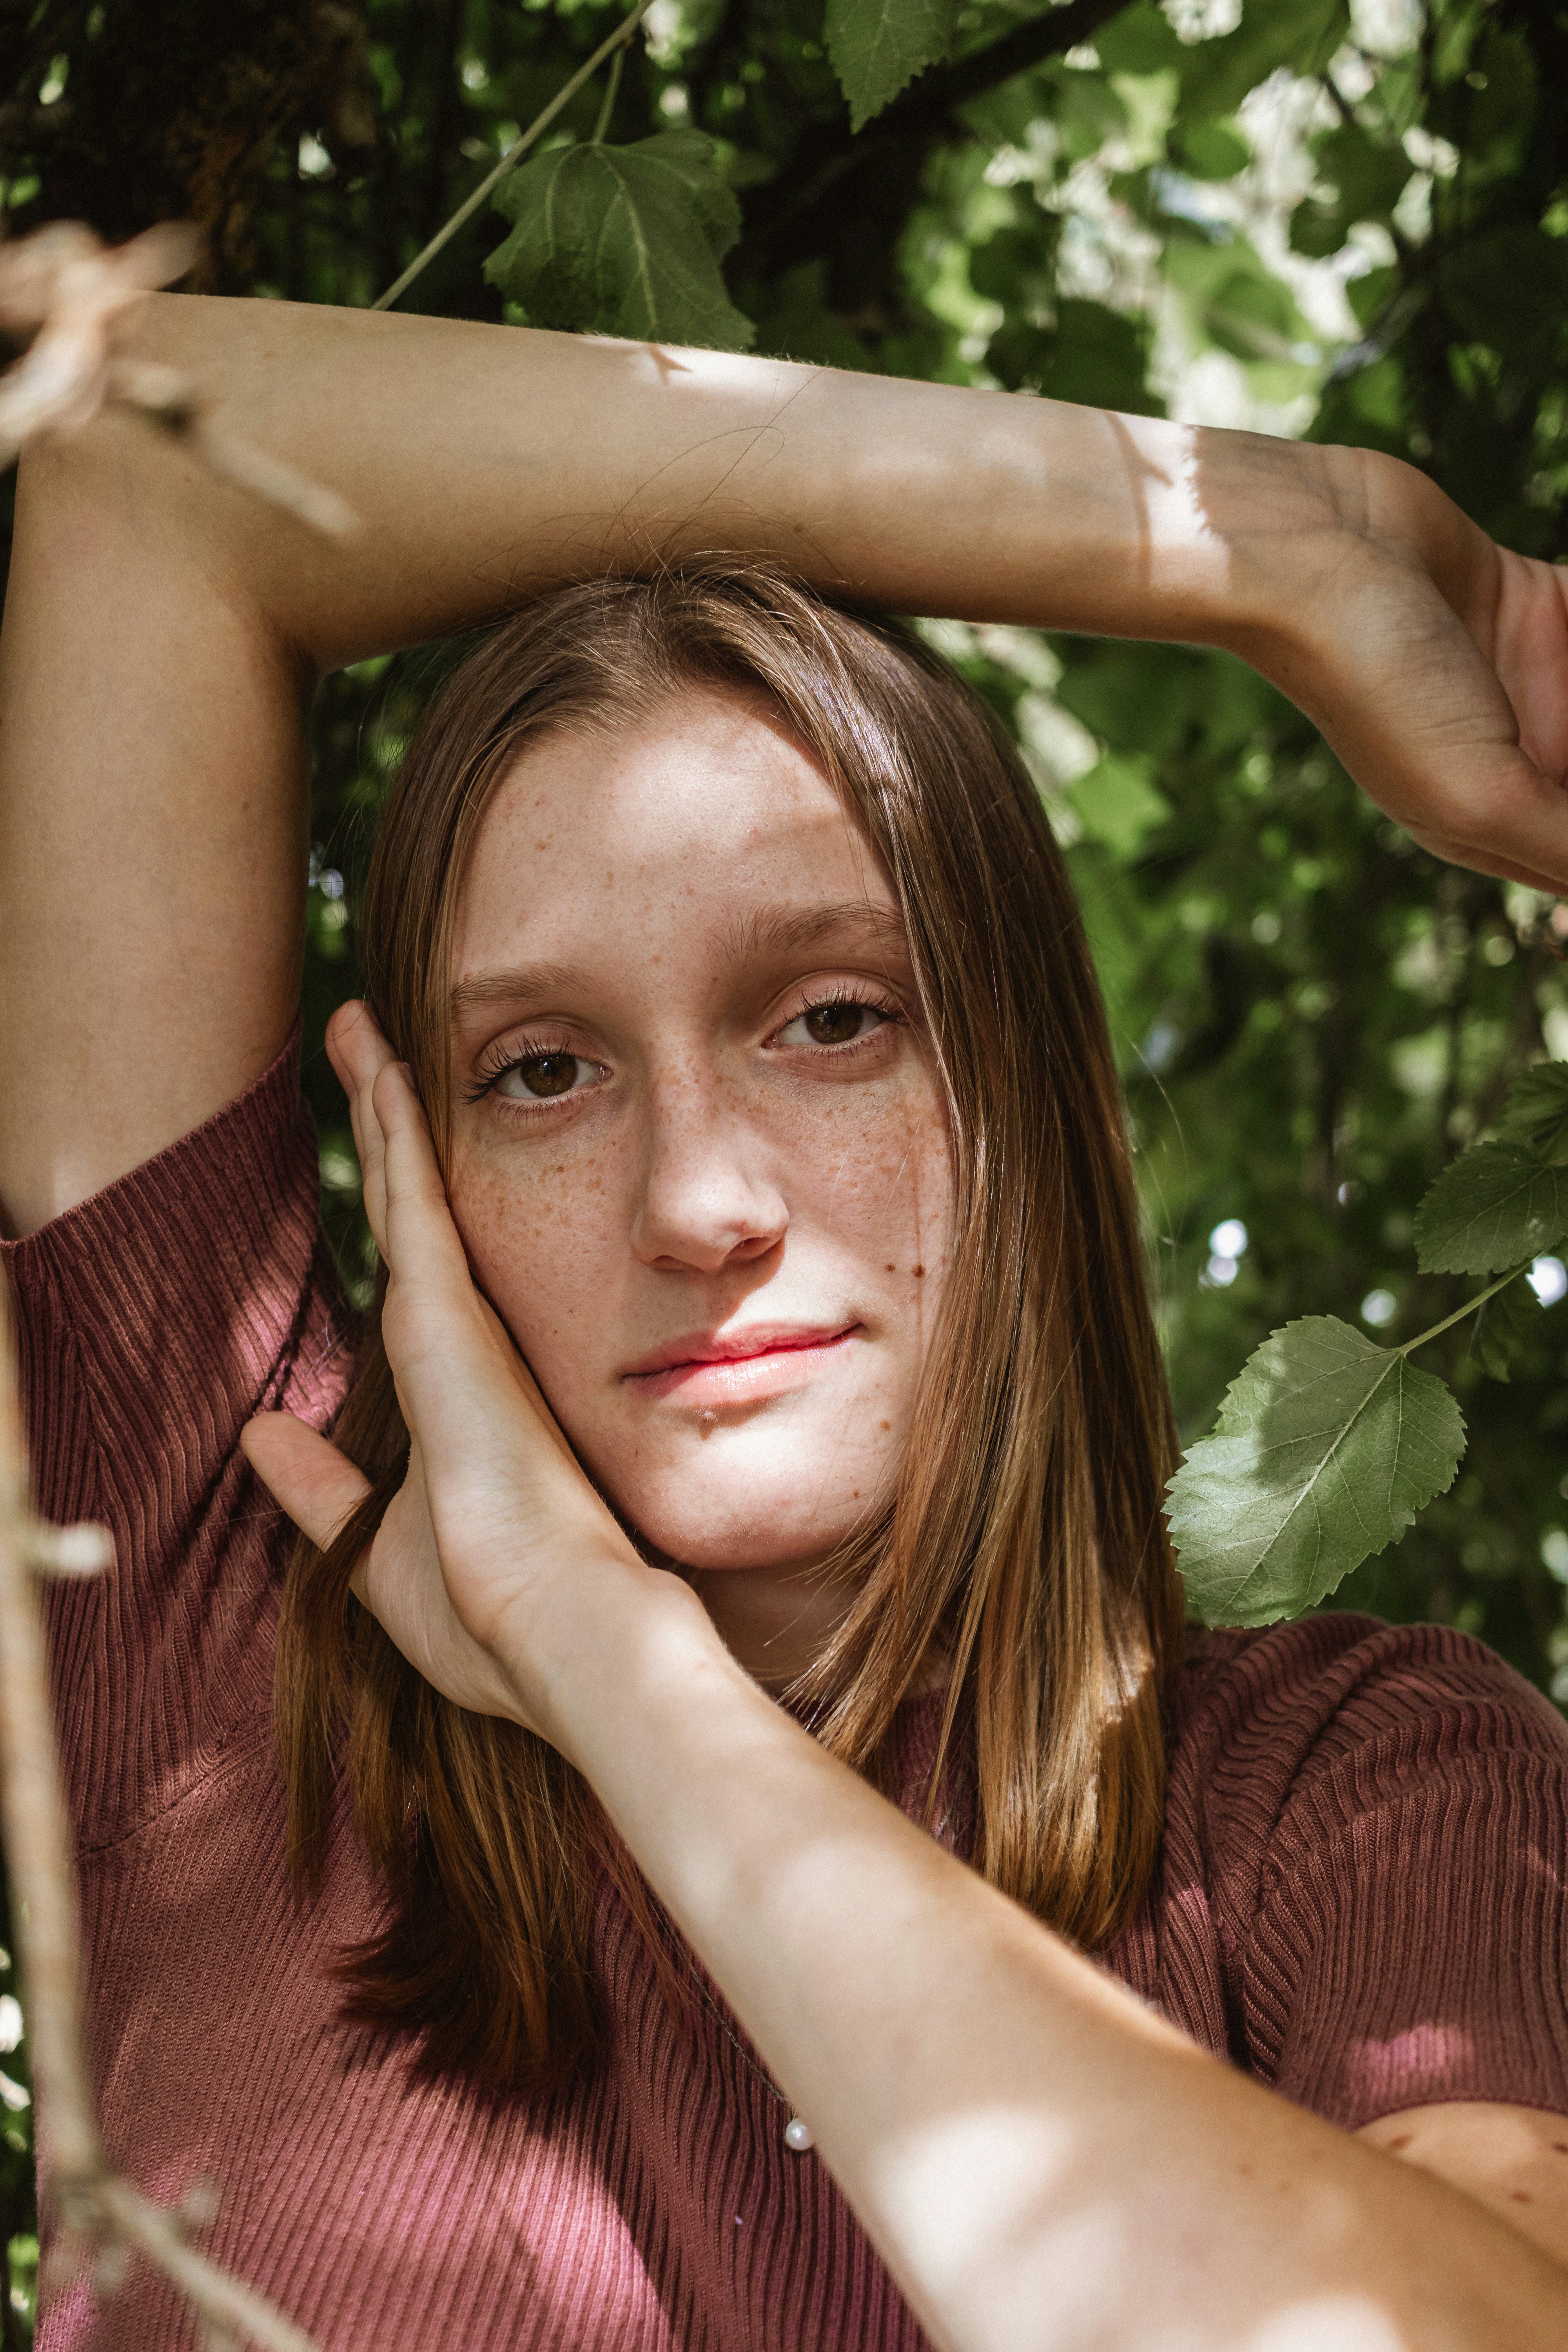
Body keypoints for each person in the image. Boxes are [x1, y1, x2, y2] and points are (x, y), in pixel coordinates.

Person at [0, 292, 1566, 2352]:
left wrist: (610, 1670)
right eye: (541, 1071)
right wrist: (1251, 538)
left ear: (1036, 1098)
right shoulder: (228, 1608)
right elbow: (145, 455)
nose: (698, 1205)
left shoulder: (1353, 1790)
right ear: (431, 1173)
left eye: (832, 1019)